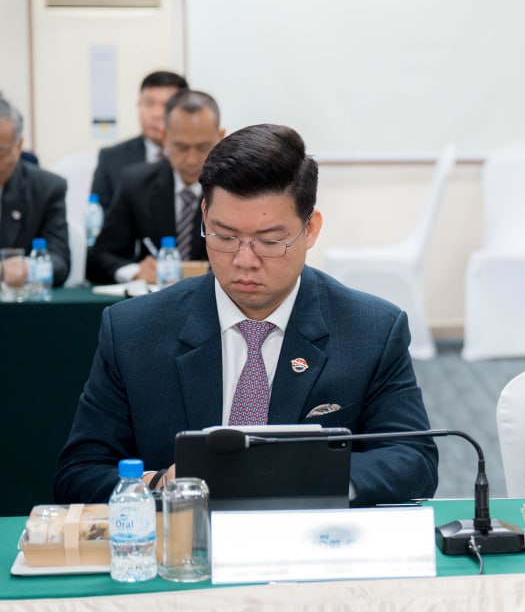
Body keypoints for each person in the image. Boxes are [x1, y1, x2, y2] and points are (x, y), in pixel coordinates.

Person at [55, 123, 438, 506]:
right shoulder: (134, 330)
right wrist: (158, 485)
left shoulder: (371, 330)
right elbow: (79, 473)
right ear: (204, 216)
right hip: (184, 538)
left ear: (310, 229)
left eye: (269, 241)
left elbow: (413, 460)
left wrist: (295, 479)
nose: (244, 260)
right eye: (224, 236)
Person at [86, 89, 217, 285]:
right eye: (181, 148)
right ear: (165, 138)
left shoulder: (236, 187)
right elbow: (99, 258)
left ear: (220, 136)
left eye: (202, 148)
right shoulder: (137, 183)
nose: (191, 160)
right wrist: (135, 271)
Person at [90, 70, 188, 211]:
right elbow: (99, 215)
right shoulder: (111, 158)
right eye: (149, 104)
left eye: (167, 106)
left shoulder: (197, 157)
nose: (157, 114)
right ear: (139, 105)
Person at [0, 95, 70, 286]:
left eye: (0, 152)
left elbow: (59, 260)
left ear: (18, 147)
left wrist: (27, 268)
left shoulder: (47, 188)